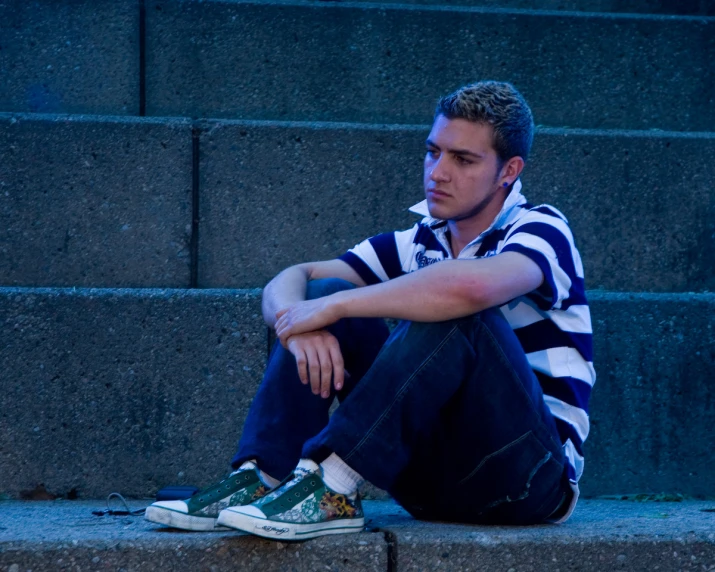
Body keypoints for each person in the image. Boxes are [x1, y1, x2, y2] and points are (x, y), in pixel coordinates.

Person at [145, 81, 595, 540]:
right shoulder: (419, 240)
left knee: (457, 310)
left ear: (508, 171)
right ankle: (266, 477)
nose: (438, 172)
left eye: (462, 160)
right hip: (426, 483)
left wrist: (330, 307)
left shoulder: (542, 229)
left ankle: (335, 483)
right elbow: (293, 278)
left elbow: (471, 286)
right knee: (329, 286)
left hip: (526, 478)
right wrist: (301, 326)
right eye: (432, 152)